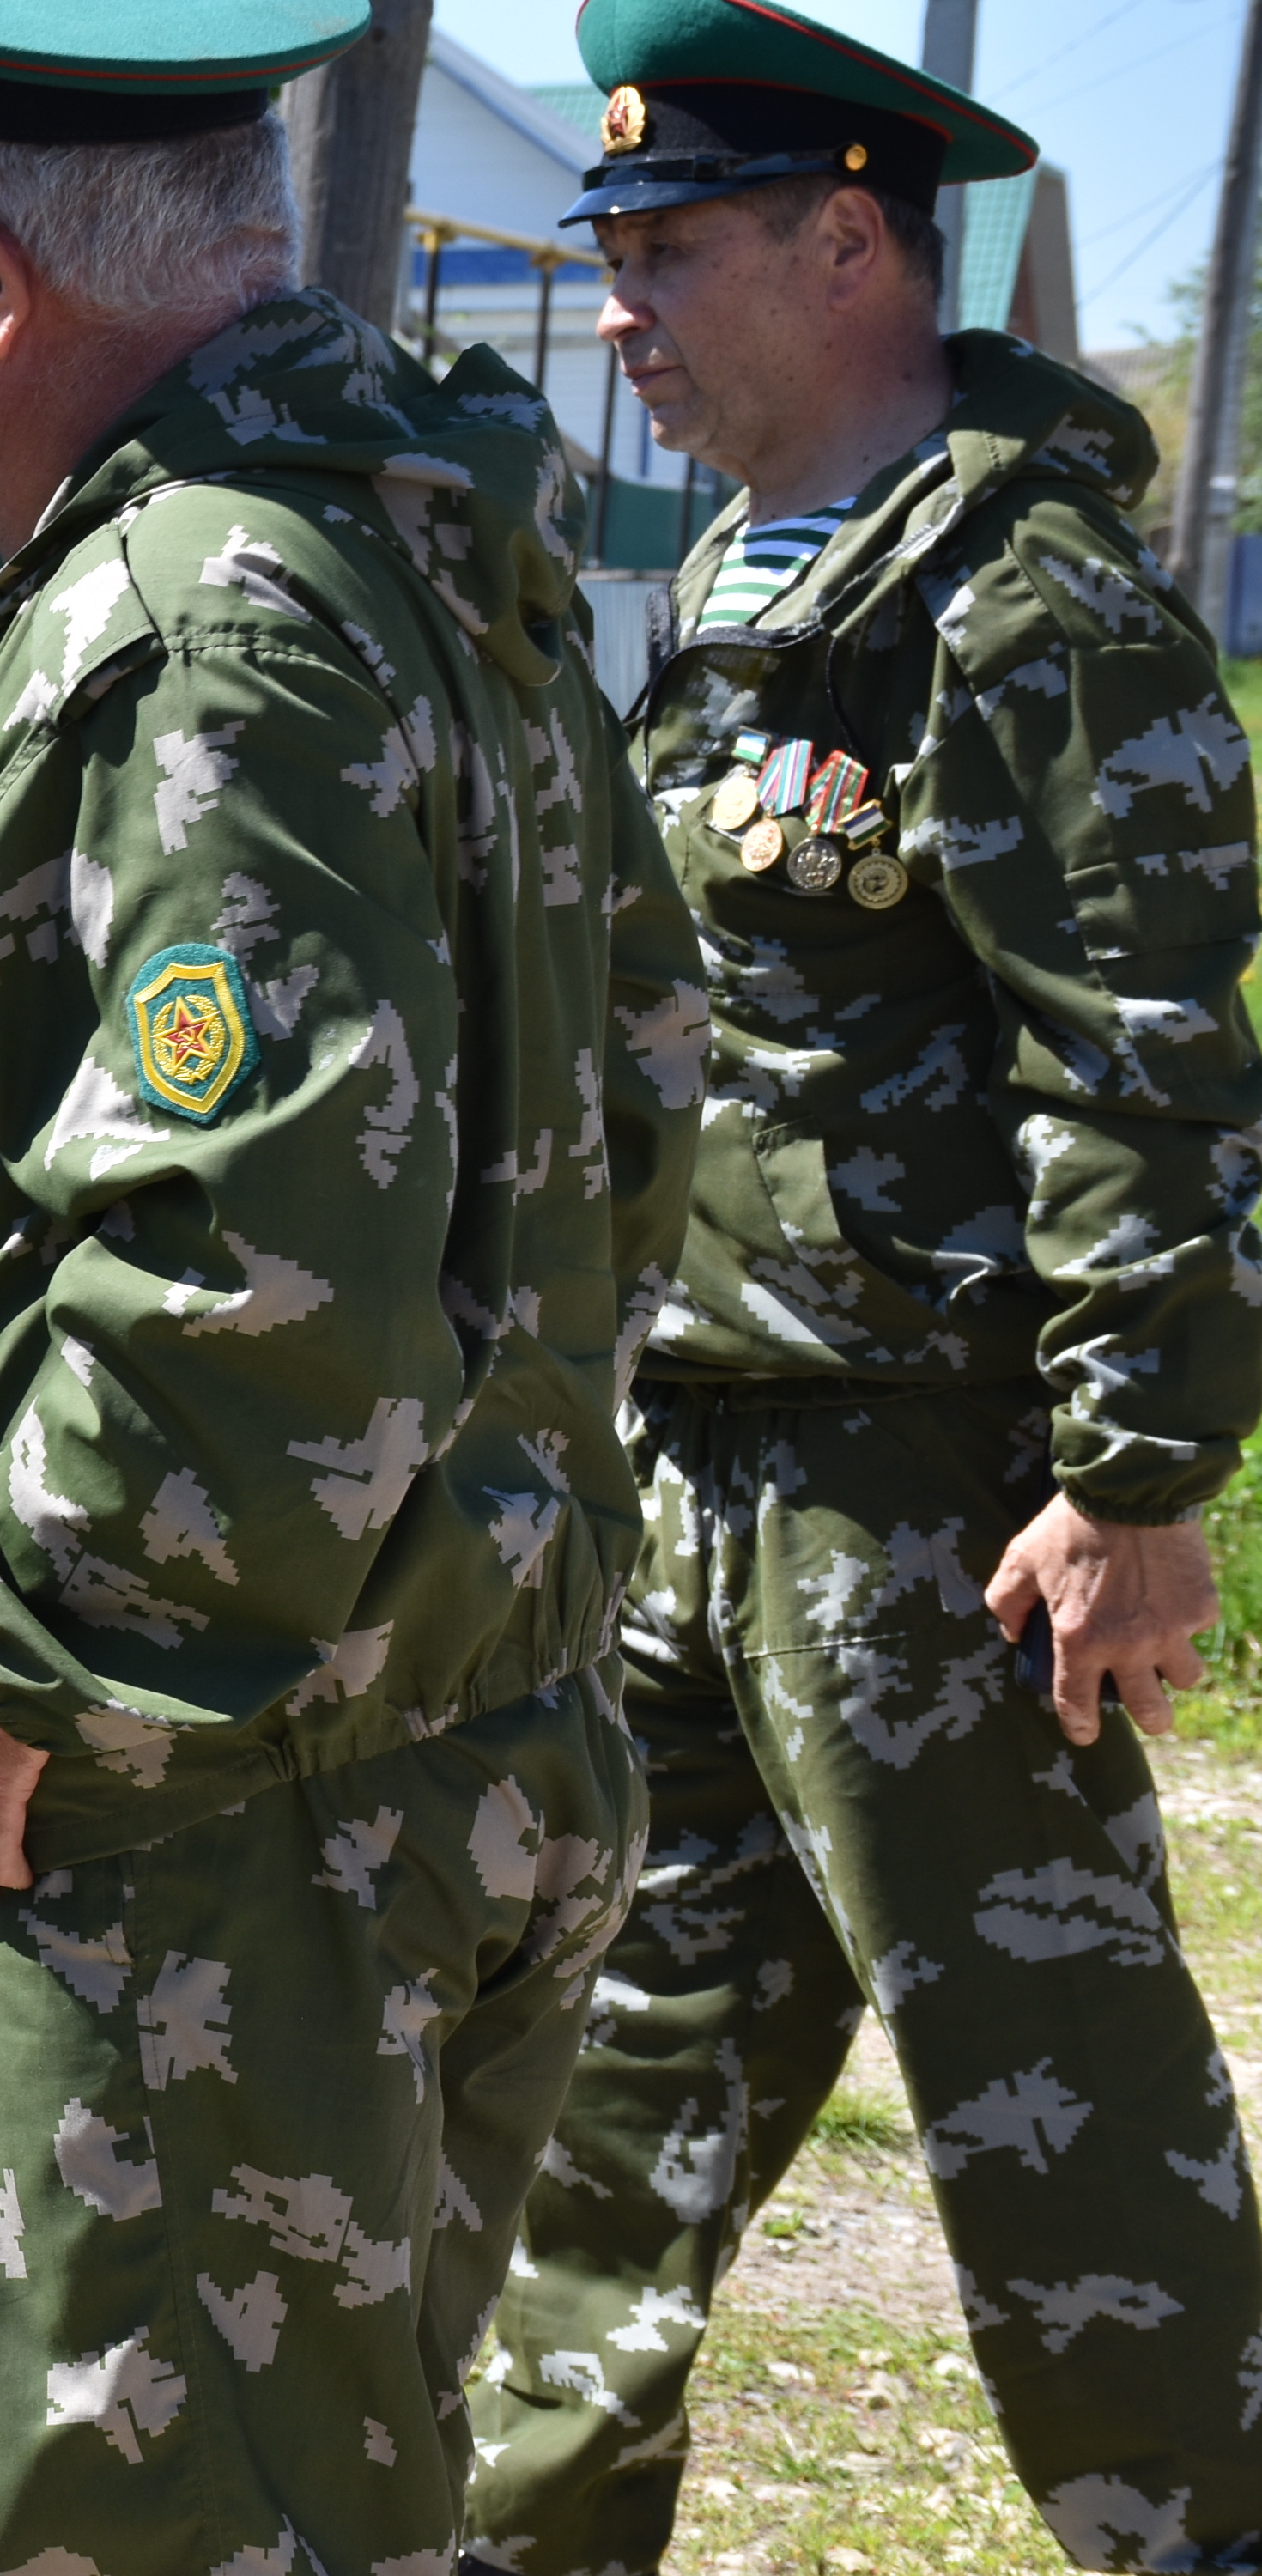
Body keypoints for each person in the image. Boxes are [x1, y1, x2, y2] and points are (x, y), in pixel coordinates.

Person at [0, 4, 713, 2567]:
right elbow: (643, 1069)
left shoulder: (209, 602)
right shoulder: (424, 527)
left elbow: (245, 1263)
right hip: (442, 1721)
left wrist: (25, 1655)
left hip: (233, 1821)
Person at [460, 6, 1262, 2567]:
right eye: (609, 253)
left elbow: (1143, 1059)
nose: (619, 305)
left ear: (849, 235)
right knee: (613, 2082)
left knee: (1065, 2139)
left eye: (671, 247)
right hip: (695, 1462)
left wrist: (1137, 1481)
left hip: (925, 1498)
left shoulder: (1023, 595)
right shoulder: (748, 567)